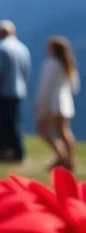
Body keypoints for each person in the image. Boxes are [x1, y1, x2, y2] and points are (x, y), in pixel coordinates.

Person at [0, 20, 32, 161]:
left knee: (6, 123)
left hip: (4, 91)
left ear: (1, 32)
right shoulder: (22, 48)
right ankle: (18, 150)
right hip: (19, 90)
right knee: (15, 121)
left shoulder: (1, 48)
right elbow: (27, 70)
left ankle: (8, 150)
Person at [34, 36, 78, 170]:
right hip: (65, 102)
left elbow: (45, 86)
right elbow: (74, 87)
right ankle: (68, 159)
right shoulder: (68, 65)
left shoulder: (51, 64)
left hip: (52, 102)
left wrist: (40, 102)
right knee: (64, 131)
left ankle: (61, 156)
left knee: (43, 129)